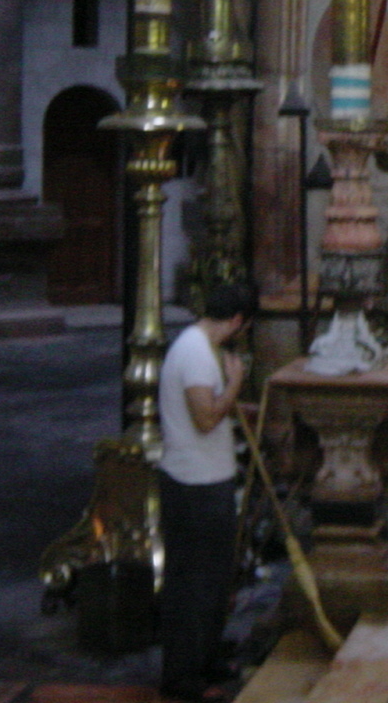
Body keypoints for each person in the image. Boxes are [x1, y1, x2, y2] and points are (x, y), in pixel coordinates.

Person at [158, 282, 255, 702]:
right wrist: (235, 384)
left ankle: (207, 656)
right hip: (193, 486)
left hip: (209, 480)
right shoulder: (195, 352)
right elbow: (204, 418)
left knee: (214, 580)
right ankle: (182, 675)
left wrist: (237, 402)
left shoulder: (202, 348)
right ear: (236, 321)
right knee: (192, 583)